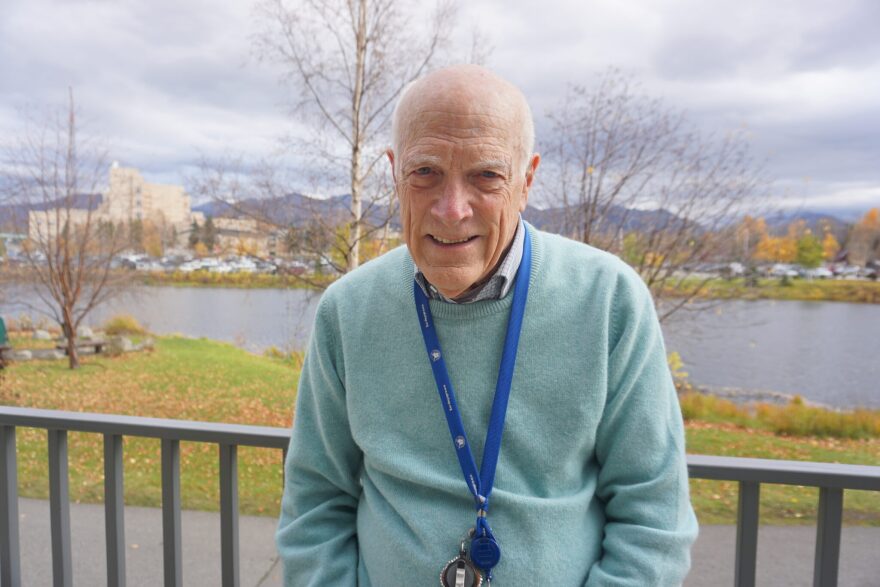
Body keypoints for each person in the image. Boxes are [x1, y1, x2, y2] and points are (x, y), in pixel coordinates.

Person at [276, 64, 698, 586]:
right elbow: (315, 504)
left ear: (527, 181)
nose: (452, 210)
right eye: (425, 172)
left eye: (486, 176)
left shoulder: (609, 300)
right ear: (394, 175)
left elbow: (654, 518)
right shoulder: (347, 311)